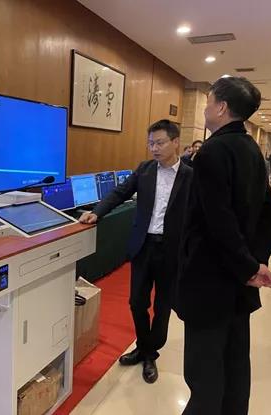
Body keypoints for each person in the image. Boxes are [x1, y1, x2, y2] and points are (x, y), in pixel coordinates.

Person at [175, 76, 271, 415]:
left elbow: (217, 222)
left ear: (221, 107)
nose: (205, 109)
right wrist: (254, 263)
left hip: (211, 281)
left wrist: (248, 267)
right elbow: (269, 215)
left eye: (208, 103)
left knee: (204, 372)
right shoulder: (252, 150)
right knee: (235, 366)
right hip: (239, 283)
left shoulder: (213, 151)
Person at [79, 120, 193, 384]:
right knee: (136, 302)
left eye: (160, 143)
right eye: (151, 143)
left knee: (163, 305)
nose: (154, 148)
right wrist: (97, 212)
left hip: (172, 250)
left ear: (176, 142)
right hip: (144, 246)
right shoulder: (145, 169)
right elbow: (119, 193)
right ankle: (144, 347)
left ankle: (151, 352)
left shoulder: (191, 176)